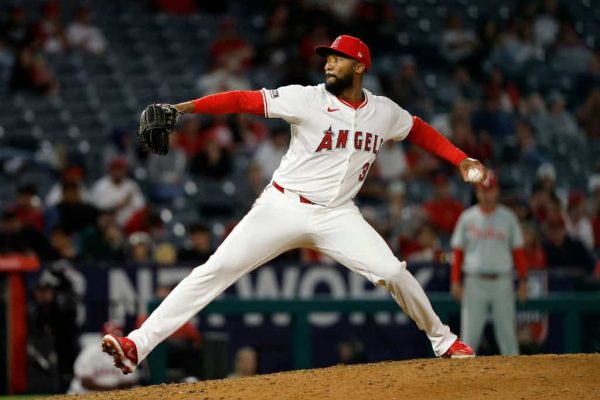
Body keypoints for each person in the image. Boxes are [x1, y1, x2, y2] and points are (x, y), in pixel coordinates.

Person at [102, 35, 486, 374]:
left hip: (338, 214)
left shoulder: (383, 112)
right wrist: (183, 109)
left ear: (359, 66)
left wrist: (459, 159)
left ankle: (445, 342)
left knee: (394, 272)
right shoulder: (306, 98)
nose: (328, 62)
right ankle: (138, 345)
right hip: (282, 207)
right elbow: (243, 100)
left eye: (337, 57)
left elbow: (417, 128)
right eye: (327, 57)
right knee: (214, 271)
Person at [450, 172, 528, 356]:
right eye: (483, 190)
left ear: (497, 191)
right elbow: (458, 252)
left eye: (490, 190)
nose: (486, 194)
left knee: (508, 336)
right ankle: (463, 380)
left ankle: (516, 380)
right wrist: (455, 281)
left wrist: (523, 281)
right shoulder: (467, 218)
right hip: (474, 281)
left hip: (502, 280)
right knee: (470, 336)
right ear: (478, 192)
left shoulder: (508, 218)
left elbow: (518, 252)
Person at [68, 322, 139, 394]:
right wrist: (109, 391)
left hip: (113, 395)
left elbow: (131, 382)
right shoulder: (90, 352)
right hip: (85, 394)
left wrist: (111, 391)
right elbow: (85, 382)